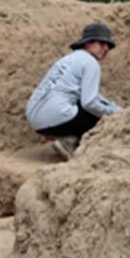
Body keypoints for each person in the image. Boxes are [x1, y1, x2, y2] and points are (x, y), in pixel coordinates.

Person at [26, 22, 121, 161]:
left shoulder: (67, 60)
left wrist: (113, 106)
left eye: (108, 45)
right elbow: (89, 102)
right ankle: (75, 147)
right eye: (101, 43)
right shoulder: (90, 62)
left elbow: (90, 97)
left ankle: (67, 140)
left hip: (36, 121)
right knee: (100, 117)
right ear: (88, 43)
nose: (106, 48)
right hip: (57, 116)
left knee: (83, 104)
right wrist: (116, 114)